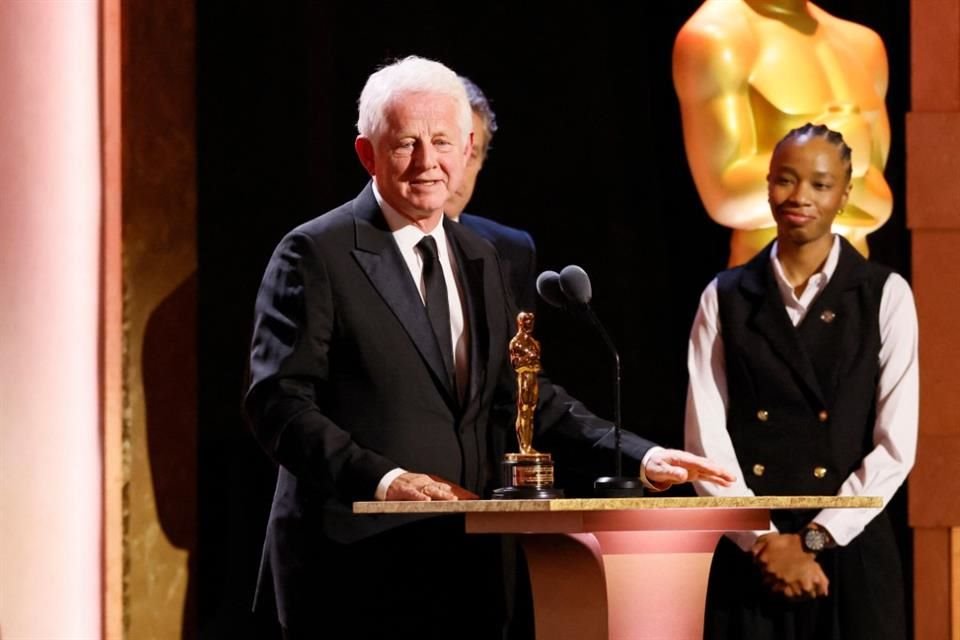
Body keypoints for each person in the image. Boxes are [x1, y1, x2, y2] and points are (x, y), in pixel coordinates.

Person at [246, 55, 735, 639]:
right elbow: (278, 402)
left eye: (443, 142)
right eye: (406, 144)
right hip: (353, 568)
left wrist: (640, 456)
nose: (428, 163)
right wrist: (385, 480)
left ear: (468, 145)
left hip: (467, 568)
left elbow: (527, 396)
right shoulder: (316, 252)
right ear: (366, 154)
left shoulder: (481, 257)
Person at [684, 123, 918, 639]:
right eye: (785, 180)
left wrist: (813, 539)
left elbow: (895, 447)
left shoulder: (883, 294)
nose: (800, 197)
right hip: (753, 556)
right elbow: (707, 443)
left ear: (844, 194)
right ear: (767, 186)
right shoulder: (724, 296)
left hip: (851, 552)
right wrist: (764, 542)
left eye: (819, 184)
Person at [673, 0, 893, 267]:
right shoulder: (717, 37)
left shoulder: (863, 46)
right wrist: (838, 158)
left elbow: (881, 199)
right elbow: (725, 196)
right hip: (767, 292)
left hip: (857, 286)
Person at [444, 75, 538, 312]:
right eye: (447, 148)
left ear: (482, 162)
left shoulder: (512, 250)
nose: (458, 171)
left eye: (471, 154)